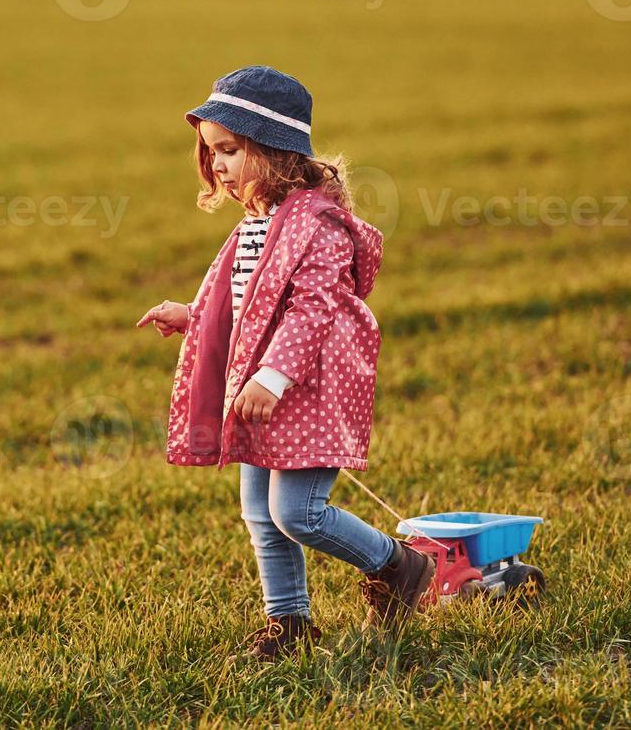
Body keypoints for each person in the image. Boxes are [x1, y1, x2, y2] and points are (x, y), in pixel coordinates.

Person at [135, 65, 435, 664]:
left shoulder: (316, 226)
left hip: (308, 389)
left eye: (230, 149)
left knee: (296, 511)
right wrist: (194, 314)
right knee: (260, 515)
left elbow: (311, 309)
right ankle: (290, 623)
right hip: (263, 388)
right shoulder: (256, 222)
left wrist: (272, 376)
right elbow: (250, 305)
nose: (216, 163)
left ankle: (400, 566)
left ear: (272, 151)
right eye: (211, 151)